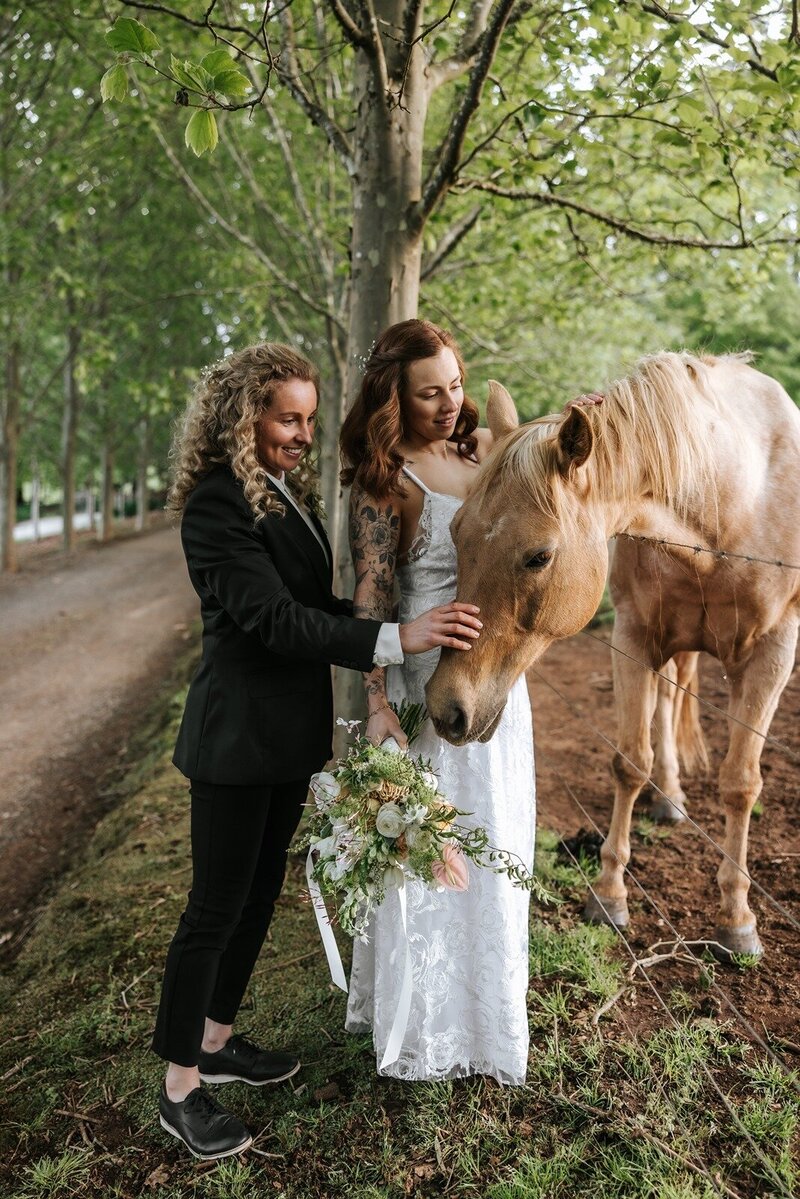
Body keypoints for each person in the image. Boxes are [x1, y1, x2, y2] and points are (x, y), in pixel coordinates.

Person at [152, 341, 484, 1161]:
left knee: (259, 898)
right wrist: (393, 637)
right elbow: (274, 621)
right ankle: (179, 1087)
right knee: (212, 911)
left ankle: (218, 1040)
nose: (304, 432)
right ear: (243, 418)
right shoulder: (215, 505)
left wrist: (386, 623)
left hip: (285, 740)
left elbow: (315, 603)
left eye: (307, 417)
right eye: (286, 418)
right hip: (233, 739)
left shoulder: (278, 495)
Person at [340, 320, 602, 1083]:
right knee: (429, 857)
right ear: (395, 398)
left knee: (494, 849)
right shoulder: (386, 484)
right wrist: (377, 704)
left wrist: (579, 423)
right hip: (430, 688)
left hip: (497, 685)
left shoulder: (485, 452)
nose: (452, 403)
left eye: (456, 383)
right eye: (430, 392)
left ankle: (488, 1023)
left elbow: (556, 479)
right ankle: (424, 1027)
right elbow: (371, 601)